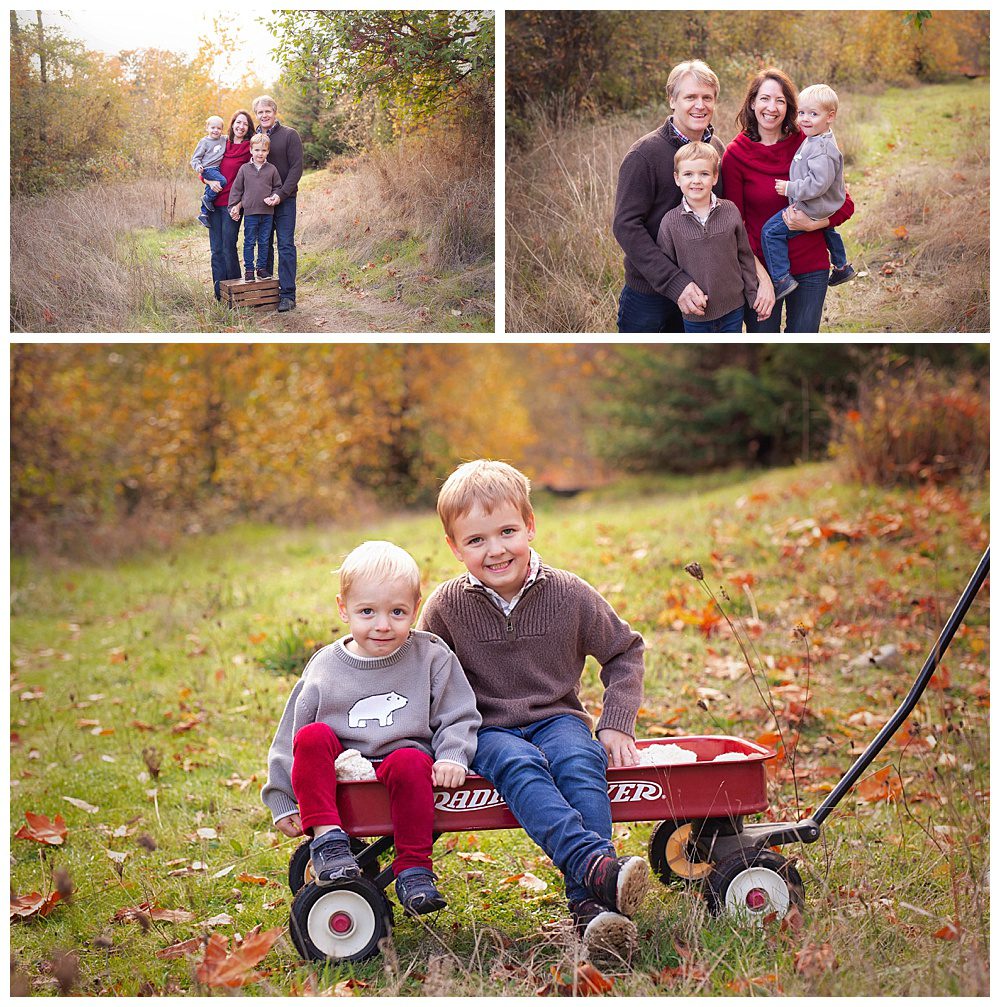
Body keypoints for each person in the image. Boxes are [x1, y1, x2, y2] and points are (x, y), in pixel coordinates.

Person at [418, 460, 649, 960]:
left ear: (530, 526)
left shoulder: (569, 594)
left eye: (507, 531)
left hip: (557, 716)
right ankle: (596, 868)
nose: (496, 549)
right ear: (455, 548)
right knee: (519, 765)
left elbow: (625, 650)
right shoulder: (444, 607)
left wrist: (615, 724)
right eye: (476, 540)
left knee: (577, 760)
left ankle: (591, 911)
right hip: (486, 728)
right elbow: (422, 678)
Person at [261, 541, 480, 915]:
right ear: (343, 609)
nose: (382, 625)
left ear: (415, 607)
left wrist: (452, 755)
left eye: (397, 612)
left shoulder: (430, 655)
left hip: (403, 764)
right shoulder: (326, 666)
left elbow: (458, 712)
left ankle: (413, 866)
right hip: (342, 770)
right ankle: (328, 840)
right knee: (312, 736)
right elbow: (291, 735)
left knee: (411, 761)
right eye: (367, 612)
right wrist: (282, 797)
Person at [612, 59, 774, 333]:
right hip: (651, 295)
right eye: (690, 97)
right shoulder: (644, 155)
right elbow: (626, 226)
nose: (700, 105)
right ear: (672, 100)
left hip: (705, 299)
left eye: (707, 98)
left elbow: (729, 220)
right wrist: (676, 283)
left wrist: (759, 277)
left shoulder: (718, 151)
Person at [721, 68, 855, 333]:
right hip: (761, 270)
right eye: (764, 99)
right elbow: (734, 225)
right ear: (752, 103)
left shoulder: (809, 142)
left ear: (790, 107)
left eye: (780, 100)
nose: (772, 107)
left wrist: (814, 225)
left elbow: (845, 203)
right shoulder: (735, 155)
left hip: (809, 264)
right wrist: (763, 279)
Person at [762, 83, 856, 299]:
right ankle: (842, 267)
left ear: (830, 116)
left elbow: (818, 184)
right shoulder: (817, 138)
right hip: (825, 206)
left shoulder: (821, 149)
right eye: (802, 113)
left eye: (813, 114)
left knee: (770, 232)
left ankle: (781, 279)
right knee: (828, 230)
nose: (805, 119)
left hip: (812, 206)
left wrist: (790, 188)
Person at [656, 142, 761, 333]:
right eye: (688, 174)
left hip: (733, 309)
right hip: (695, 314)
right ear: (677, 178)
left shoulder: (730, 211)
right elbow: (665, 268)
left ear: (715, 177)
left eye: (704, 174)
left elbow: (744, 256)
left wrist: (752, 294)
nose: (696, 180)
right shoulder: (670, 222)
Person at [252, 95, 303, 312]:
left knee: (285, 245)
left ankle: (287, 295)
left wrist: (281, 195)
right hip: (261, 203)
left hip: (284, 200)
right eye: (260, 112)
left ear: (275, 112)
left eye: (267, 111)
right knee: (264, 245)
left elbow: (296, 169)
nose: (264, 115)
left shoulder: (290, 135)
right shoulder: (254, 139)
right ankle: (268, 293)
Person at [206, 110, 253, 301]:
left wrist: (240, 204)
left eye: (245, 124)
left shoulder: (250, 148)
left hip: (232, 206)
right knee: (216, 250)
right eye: (238, 122)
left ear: (248, 128)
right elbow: (205, 166)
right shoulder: (220, 143)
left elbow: (252, 180)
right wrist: (208, 182)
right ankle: (220, 295)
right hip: (213, 204)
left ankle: (236, 295)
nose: (241, 126)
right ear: (232, 124)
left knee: (228, 247)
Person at [228, 134, 283, 282]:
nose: (260, 153)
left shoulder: (272, 169)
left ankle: (261, 268)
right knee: (249, 241)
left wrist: (274, 196)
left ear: (268, 152)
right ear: (251, 150)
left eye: (263, 150)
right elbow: (237, 189)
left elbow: (278, 187)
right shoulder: (244, 169)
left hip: (267, 213)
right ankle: (249, 270)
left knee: (265, 241)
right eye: (257, 150)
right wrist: (234, 206)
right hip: (250, 213)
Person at [190, 115, 228, 227]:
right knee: (223, 181)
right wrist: (198, 167)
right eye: (213, 128)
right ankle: (207, 198)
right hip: (207, 169)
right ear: (207, 128)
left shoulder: (223, 139)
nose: (216, 130)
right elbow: (195, 158)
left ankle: (203, 214)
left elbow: (233, 136)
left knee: (209, 188)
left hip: (216, 169)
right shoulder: (204, 142)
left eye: (219, 128)